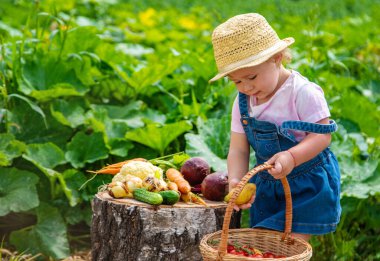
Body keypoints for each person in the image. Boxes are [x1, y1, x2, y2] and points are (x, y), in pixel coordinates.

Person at [209, 13, 341, 241]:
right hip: (268, 186)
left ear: (277, 58)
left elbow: (322, 138)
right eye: (237, 81)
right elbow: (239, 149)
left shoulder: (302, 92)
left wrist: (291, 156)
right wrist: (236, 181)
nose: (246, 87)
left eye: (251, 77)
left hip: (306, 182)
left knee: (290, 243)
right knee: (263, 243)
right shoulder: (242, 104)